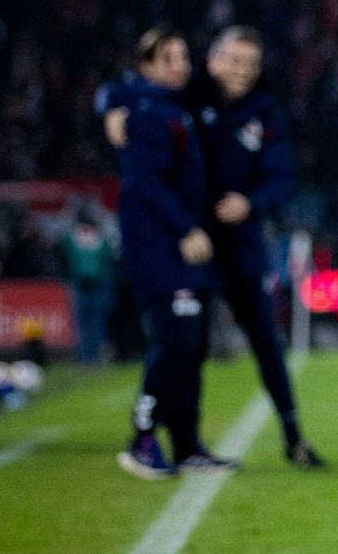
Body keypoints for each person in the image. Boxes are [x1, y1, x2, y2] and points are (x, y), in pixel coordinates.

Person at [195, 26, 324, 468]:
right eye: (235, 61)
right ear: (213, 62)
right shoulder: (189, 98)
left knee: (266, 341)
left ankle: (294, 437)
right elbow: (132, 92)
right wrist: (112, 107)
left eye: (251, 63)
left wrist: (250, 203)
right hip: (191, 241)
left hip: (242, 243)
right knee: (185, 344)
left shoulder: (264, 111)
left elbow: (283, 177)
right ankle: (182, 440)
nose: (244, 71)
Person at [114, 27, 235, 479]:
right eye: (168, 58)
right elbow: (145, 180)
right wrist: (185, 229)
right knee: (175, 341)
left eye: (184, 56)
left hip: (185, 249)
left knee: (192, 346)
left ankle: (186, 445)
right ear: (146, 66)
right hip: (161, 246)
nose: (180, 65)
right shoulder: (145, 112)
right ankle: (142, 438)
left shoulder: (173, 109)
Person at [62, 206, 117, 365]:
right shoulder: (92, 239)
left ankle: (92, 355)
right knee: (90, 321)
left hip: (92, 284)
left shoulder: (74, 238)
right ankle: (90, 355)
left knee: (92, 321)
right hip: (84, 284)